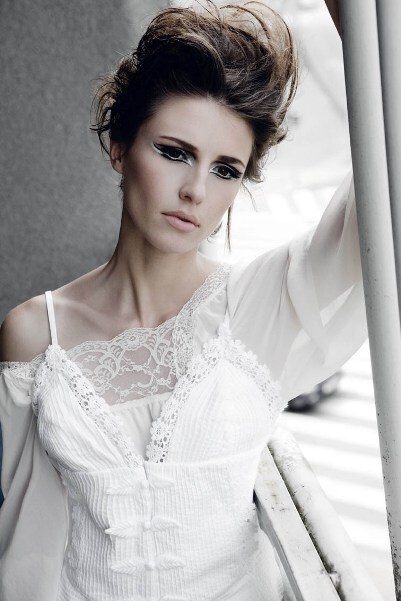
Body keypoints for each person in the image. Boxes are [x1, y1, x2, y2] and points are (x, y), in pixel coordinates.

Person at [0, 1, 366, 600]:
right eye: (174, 152)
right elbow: (25, 547)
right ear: (120, 147)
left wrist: (358, 27)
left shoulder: (257, 306)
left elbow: (379, 196)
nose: (196, 189)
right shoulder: (34, 334)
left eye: (226, 169)